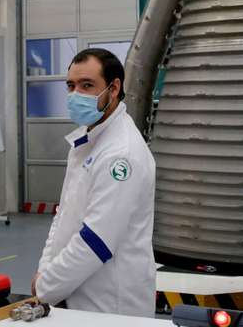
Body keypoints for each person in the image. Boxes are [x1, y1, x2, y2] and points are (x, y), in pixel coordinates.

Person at [32, 48, 156, 317]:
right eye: (71, 86)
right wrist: (46, 271)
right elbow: (63, 216)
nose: (76, 94)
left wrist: (47, 287)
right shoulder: (86, 143)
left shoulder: (120, 154)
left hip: (111, 304)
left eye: (87, 85)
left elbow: (96, 240)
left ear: (114, 88)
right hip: (74, 294)